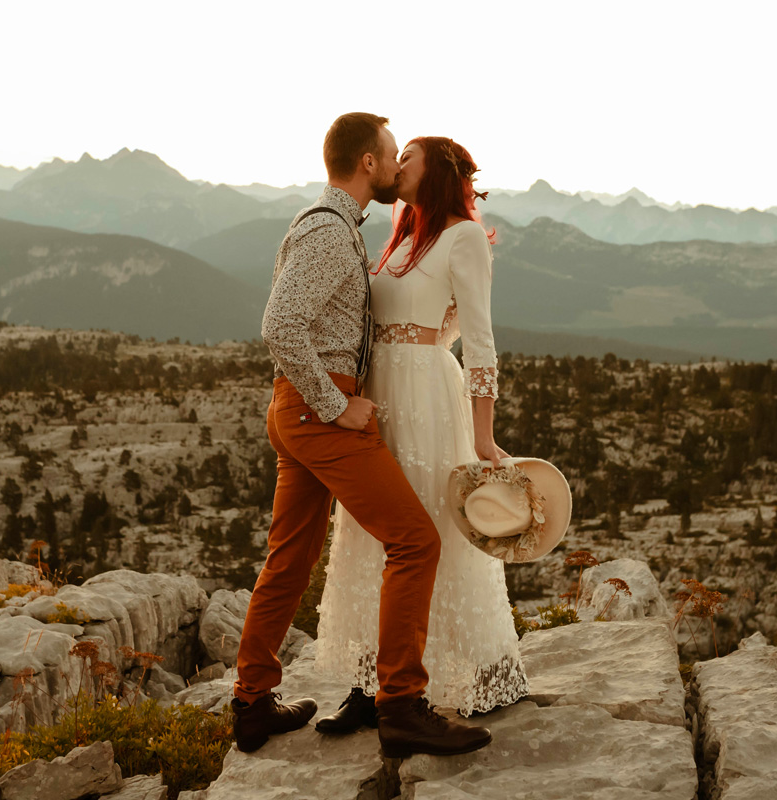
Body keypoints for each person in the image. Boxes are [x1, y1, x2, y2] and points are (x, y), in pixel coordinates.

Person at [232, 113, 492, 759]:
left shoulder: (339, 227)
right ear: (369, 164)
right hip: (320, 412)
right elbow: (280, 327)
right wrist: (335, 405)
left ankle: (252, 704)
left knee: (289, 559)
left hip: (298, 412)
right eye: (390, 154)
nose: (397, 166)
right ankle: (401, 703)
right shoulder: (328, 230)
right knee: (414, 541)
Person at [313, 136, 528, 733]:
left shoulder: (461, 237)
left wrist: (483, 435)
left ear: (435, 172)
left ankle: (439, 680)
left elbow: (479, 340)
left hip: (428, 398)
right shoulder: (400, 238)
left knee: (426, 528)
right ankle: (368, 681)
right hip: (379, 393)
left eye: (409, 157)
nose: (397, 164)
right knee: (369, 533)